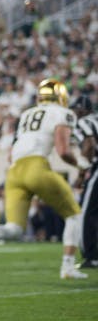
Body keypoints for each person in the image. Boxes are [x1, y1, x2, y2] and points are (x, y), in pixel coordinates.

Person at [0, 79, 90, 279]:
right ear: (61, 97)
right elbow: (63, 151)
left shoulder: (27, 114)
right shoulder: (63, 113)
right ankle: (68, 267)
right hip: (36, 166)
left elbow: (11, 155)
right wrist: (82, 165)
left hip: (13, 172)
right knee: (74, 215)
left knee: (14, 229)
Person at [70, 94, 97, 269]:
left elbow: (89, 145)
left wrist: (81, 175)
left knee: (87, 212)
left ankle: (92, 256)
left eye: (75, 109)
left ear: (81, 109)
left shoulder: (83, 123)